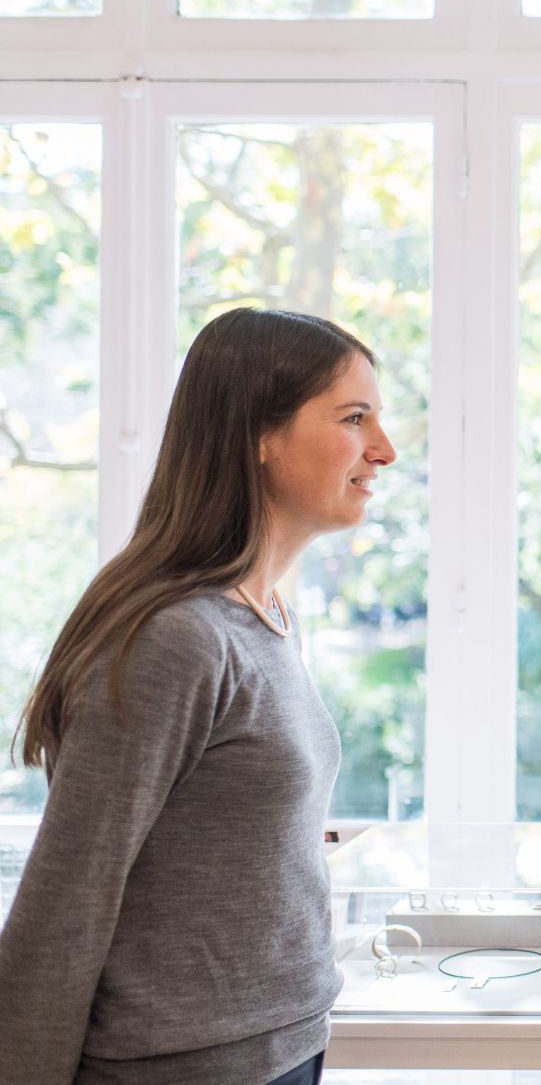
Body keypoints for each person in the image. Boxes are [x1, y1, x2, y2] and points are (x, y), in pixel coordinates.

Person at [0, 308, 396, 1085]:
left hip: (280, 1047)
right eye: (355, 418)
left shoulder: (267, 615)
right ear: (258, 433)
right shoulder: (176, 637)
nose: (383, 448)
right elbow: (68, 896)